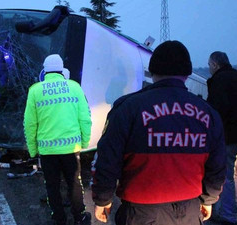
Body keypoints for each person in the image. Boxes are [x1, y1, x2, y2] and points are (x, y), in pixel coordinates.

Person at [92, 40, 226, 225]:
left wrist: (103, 199)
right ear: (187, 74)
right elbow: (218, 164)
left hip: (141, 213)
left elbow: (108, 158)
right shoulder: (208, 113)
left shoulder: (128, 107)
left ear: (153, 71)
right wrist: (209, 199)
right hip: (189, 212)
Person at [23, 54, 92, 225]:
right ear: (62, 69)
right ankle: (79, 217)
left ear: (44, 69)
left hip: (47, 151)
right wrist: (85, 142)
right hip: (71, 148)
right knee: (75, 184)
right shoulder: (74, 87)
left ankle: (59, 218)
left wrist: (32, 149)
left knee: (52, 186)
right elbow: (85, 118)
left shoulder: (35, 90)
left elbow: (29, 124)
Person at [206, 51, 237, 224]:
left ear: (215, 65)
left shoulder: (220, 80)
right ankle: (235, 211)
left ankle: (229, 215)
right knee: (233, 173)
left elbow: (217, 110)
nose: (210, 68)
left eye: (210, 65)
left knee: (226, 174)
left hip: (230, 135)